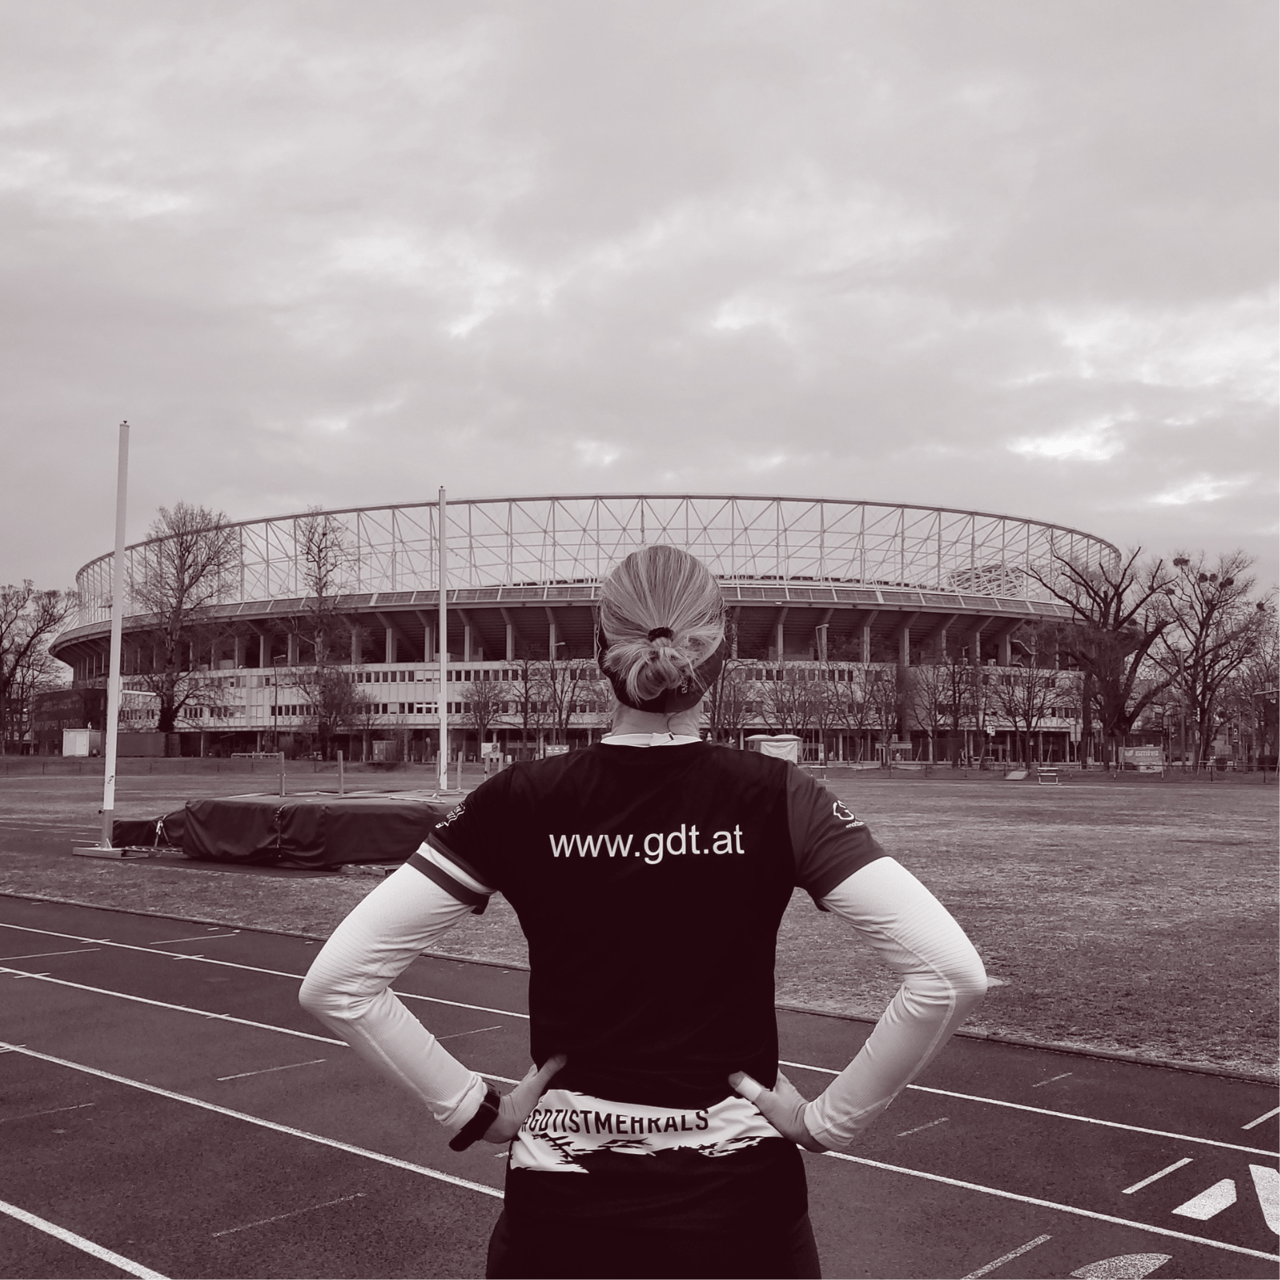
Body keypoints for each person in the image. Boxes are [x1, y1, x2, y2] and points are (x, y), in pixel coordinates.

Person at [299, 544, 987, 1279]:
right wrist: (824, 1124)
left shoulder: (518, 800)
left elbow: (339, 983)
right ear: (720, 654)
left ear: (600, 648)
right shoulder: (782, 797)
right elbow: (949, 977)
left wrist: (475, 1112)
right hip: (741, 1222)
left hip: (560, 1226)